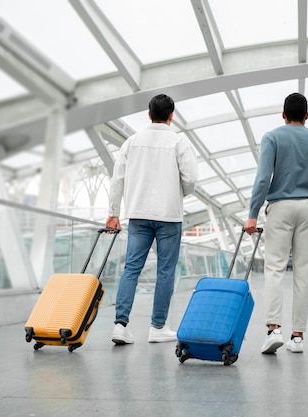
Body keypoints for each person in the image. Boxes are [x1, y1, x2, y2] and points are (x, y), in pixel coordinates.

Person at [244, 92, 308, 354]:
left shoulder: (272, 137)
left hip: (280, 207)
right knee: (304, 272)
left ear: (283, 115)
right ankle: (297, 337)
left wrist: (253, 212)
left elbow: (263, 179)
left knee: (274, 269)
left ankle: (274, 330)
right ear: (307, 116)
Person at [106, 93, 198, 345]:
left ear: (149, 114)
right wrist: (180, 192)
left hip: (138, 214)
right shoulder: (179, 142)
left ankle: (120, 325)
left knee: (131, 269)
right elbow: (190, 178)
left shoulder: (131, 142)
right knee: (165, 271)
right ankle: (158, 326)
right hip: (169, 214)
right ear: (171, 116)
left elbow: (118, 180)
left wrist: (113, 212)